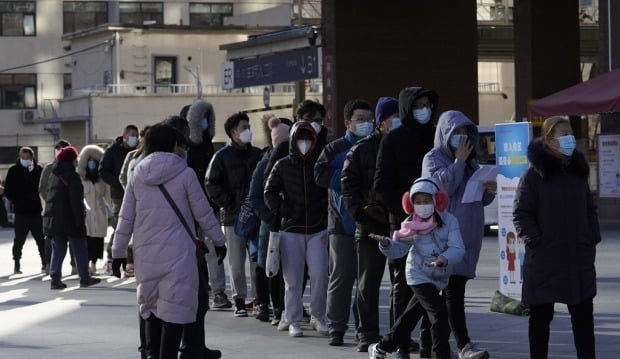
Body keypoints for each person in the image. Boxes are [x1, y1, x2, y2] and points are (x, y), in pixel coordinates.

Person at [112, 123, 227, 359]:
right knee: (175, 312)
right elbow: (203, 213)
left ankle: (151, 354)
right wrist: (219, 240)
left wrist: (118, 252)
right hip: (179, 255)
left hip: (146, 254)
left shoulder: (137, 174)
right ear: (173, 145)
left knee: (151, 309)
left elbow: (125, 217)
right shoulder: (186, 174)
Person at [513, 116, 600, 359]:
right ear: (549, 140)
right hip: (545, 259)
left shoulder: (578, 173)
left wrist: (592, 235)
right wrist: (537, 241)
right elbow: (521, 214)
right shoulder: (533, 176)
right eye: (564, 134)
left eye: (570, 133)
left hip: (578, 256)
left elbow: (590, 209)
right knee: (541, 319)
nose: (570, 138)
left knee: (583, 318)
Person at [421, 110, 493, 359]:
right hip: (444, 238)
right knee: (450, 292)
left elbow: (478, 199)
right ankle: (463, 345)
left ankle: (428, 345)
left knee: (445, 293)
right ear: (445, 134)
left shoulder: (471, 161)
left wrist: (489, 189)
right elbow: (444, 189)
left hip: (467, 237)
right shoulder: (433, 159)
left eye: (465, 133)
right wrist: (459, 161)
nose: (461, 138)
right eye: (456, 133)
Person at [368, 176, 465, 359]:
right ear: (411, 204)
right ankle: (441, 355)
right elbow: (400, 249)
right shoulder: (410, 225)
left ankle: (381, 347)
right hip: (418, 275)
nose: (423, 205)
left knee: (409, 318)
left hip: (439, 276)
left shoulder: (450, 221)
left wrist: (443, 258)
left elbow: (458, 248)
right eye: (418, 202)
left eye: (427, 200)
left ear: (437, 200)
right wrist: (387, 244)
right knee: (439, 315)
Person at [374, 86, 438, 354]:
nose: (424, 110)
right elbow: (382, 184)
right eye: (418, 105)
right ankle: (399, 344)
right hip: (404, 224)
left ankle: (427, 344)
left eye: (427, 104)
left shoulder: (435, 137)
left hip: (435, 225)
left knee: (432, 285)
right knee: (403, 286)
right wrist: (406, 216)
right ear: (407, 108)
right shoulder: (393, 139)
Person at [341, 96, 399, 352]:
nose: (397, 122)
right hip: (370, 227)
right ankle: (367, 334)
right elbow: (348, 188)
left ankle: (399, 335)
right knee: (368, 283)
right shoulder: (361, 150)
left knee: (403, 285)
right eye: (392, 117)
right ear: (381, 121)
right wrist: (363, 217)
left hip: (400, 226)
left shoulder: (406, 147)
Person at [315, 98, 374, 346]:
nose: (366, 124)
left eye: (369, 120)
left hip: (371, 223)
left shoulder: (376, 146)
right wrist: (351, 177)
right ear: (348, 123)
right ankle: (336, 327)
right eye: (360, 120)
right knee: (341, 278)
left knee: (366, 281)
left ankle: (364, 329)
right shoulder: (334, 149)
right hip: (342, 223)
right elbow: (320, 174)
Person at [264, 121, 329, 338]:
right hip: (290, 229)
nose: (305, 143)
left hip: (317, 228)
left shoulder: (320, 163)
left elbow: (327, 191)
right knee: (292, 279)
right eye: (300, 138)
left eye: (309, 138)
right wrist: (284, 210)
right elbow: (269, 192)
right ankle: (292, 319)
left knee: (320, 274)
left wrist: (322, 209)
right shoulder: (282, 165)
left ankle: (318, 316)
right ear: (292, 140)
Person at [206, 112, 262, 317]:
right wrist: (228, 204)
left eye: (249, 126)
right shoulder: (221, 156)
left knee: (257, 260)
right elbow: (211, 184)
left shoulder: (257, 154)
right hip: (233, 217)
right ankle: (239, 299)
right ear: (233, 132)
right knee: (236, 262)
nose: (248, 130)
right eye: (244, 127)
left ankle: (259, 299)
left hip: (256, 217)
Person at [186, 100, 233, 311]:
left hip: (208, 207)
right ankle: (195, 290)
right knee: (190, 251)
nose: (204, 122)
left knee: (214, 249)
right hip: (186, 209)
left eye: (207, 117)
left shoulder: (210, 147)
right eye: (200, 118)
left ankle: (219, 292)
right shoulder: (185, 149)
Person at [248, 115, 291, 323]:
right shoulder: (264, 163)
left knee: (288, 268)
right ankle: (265, 303)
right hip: (270, 224)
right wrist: (268, 215)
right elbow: (255, 196)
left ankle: (284, 306)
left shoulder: (297, 162)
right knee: (266, 265)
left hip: (290, 224)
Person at [43, 146, 101, 289]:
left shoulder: (53, 174)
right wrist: (80, 221)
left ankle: (55, 278)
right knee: (80, 246)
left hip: (55, 220)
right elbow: (76, 201)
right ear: (72, 159)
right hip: (70, 219)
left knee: (58, 248)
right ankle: (84, 277)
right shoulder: (72, 175)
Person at [100, 124, 140, 275]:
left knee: (136, 230)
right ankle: (112, 259)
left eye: (136, 135)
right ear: (124, 135)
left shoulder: (138, 152)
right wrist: (120, 183)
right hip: (119, 195)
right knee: (119, 227)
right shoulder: (112, 151)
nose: (134, 138)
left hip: (137, 195)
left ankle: (130, 262)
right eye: (132, 135)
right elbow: (103, 171)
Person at [4, 146, 45, 274]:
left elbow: (43, 187)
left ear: (32, 158)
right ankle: (16, 262)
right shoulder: (13, 170)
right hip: (21, 211)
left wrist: (31, 173)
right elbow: (8, 189)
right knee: (19, 239)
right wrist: (16, 200)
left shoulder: (38, 170)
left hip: (36, 211)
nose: (25, 160)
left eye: (27, 158)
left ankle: (45, 263)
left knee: (40, 239)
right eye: (22, 157)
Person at [39, 140, 74, 274]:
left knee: (73, 238)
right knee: (50, 238)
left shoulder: (74, 167)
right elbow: (42, 188)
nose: (60, 151)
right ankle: (48, 264)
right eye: (58, 149)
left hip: (69, 209)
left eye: (63, 149)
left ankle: (74, 265)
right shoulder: (49, 168)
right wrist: (51, 201)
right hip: (52, 210)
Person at [77, 144, 110, 275]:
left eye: (94, 161)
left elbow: (108, 196)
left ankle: (94, 264)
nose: (92, 164)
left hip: (99, 212)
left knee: (97, 241)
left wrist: (113, 210)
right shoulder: (79, 178)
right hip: (84, 213)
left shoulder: (102, 179)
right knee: (85, 240)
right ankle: (84, 265)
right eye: (89, 161)